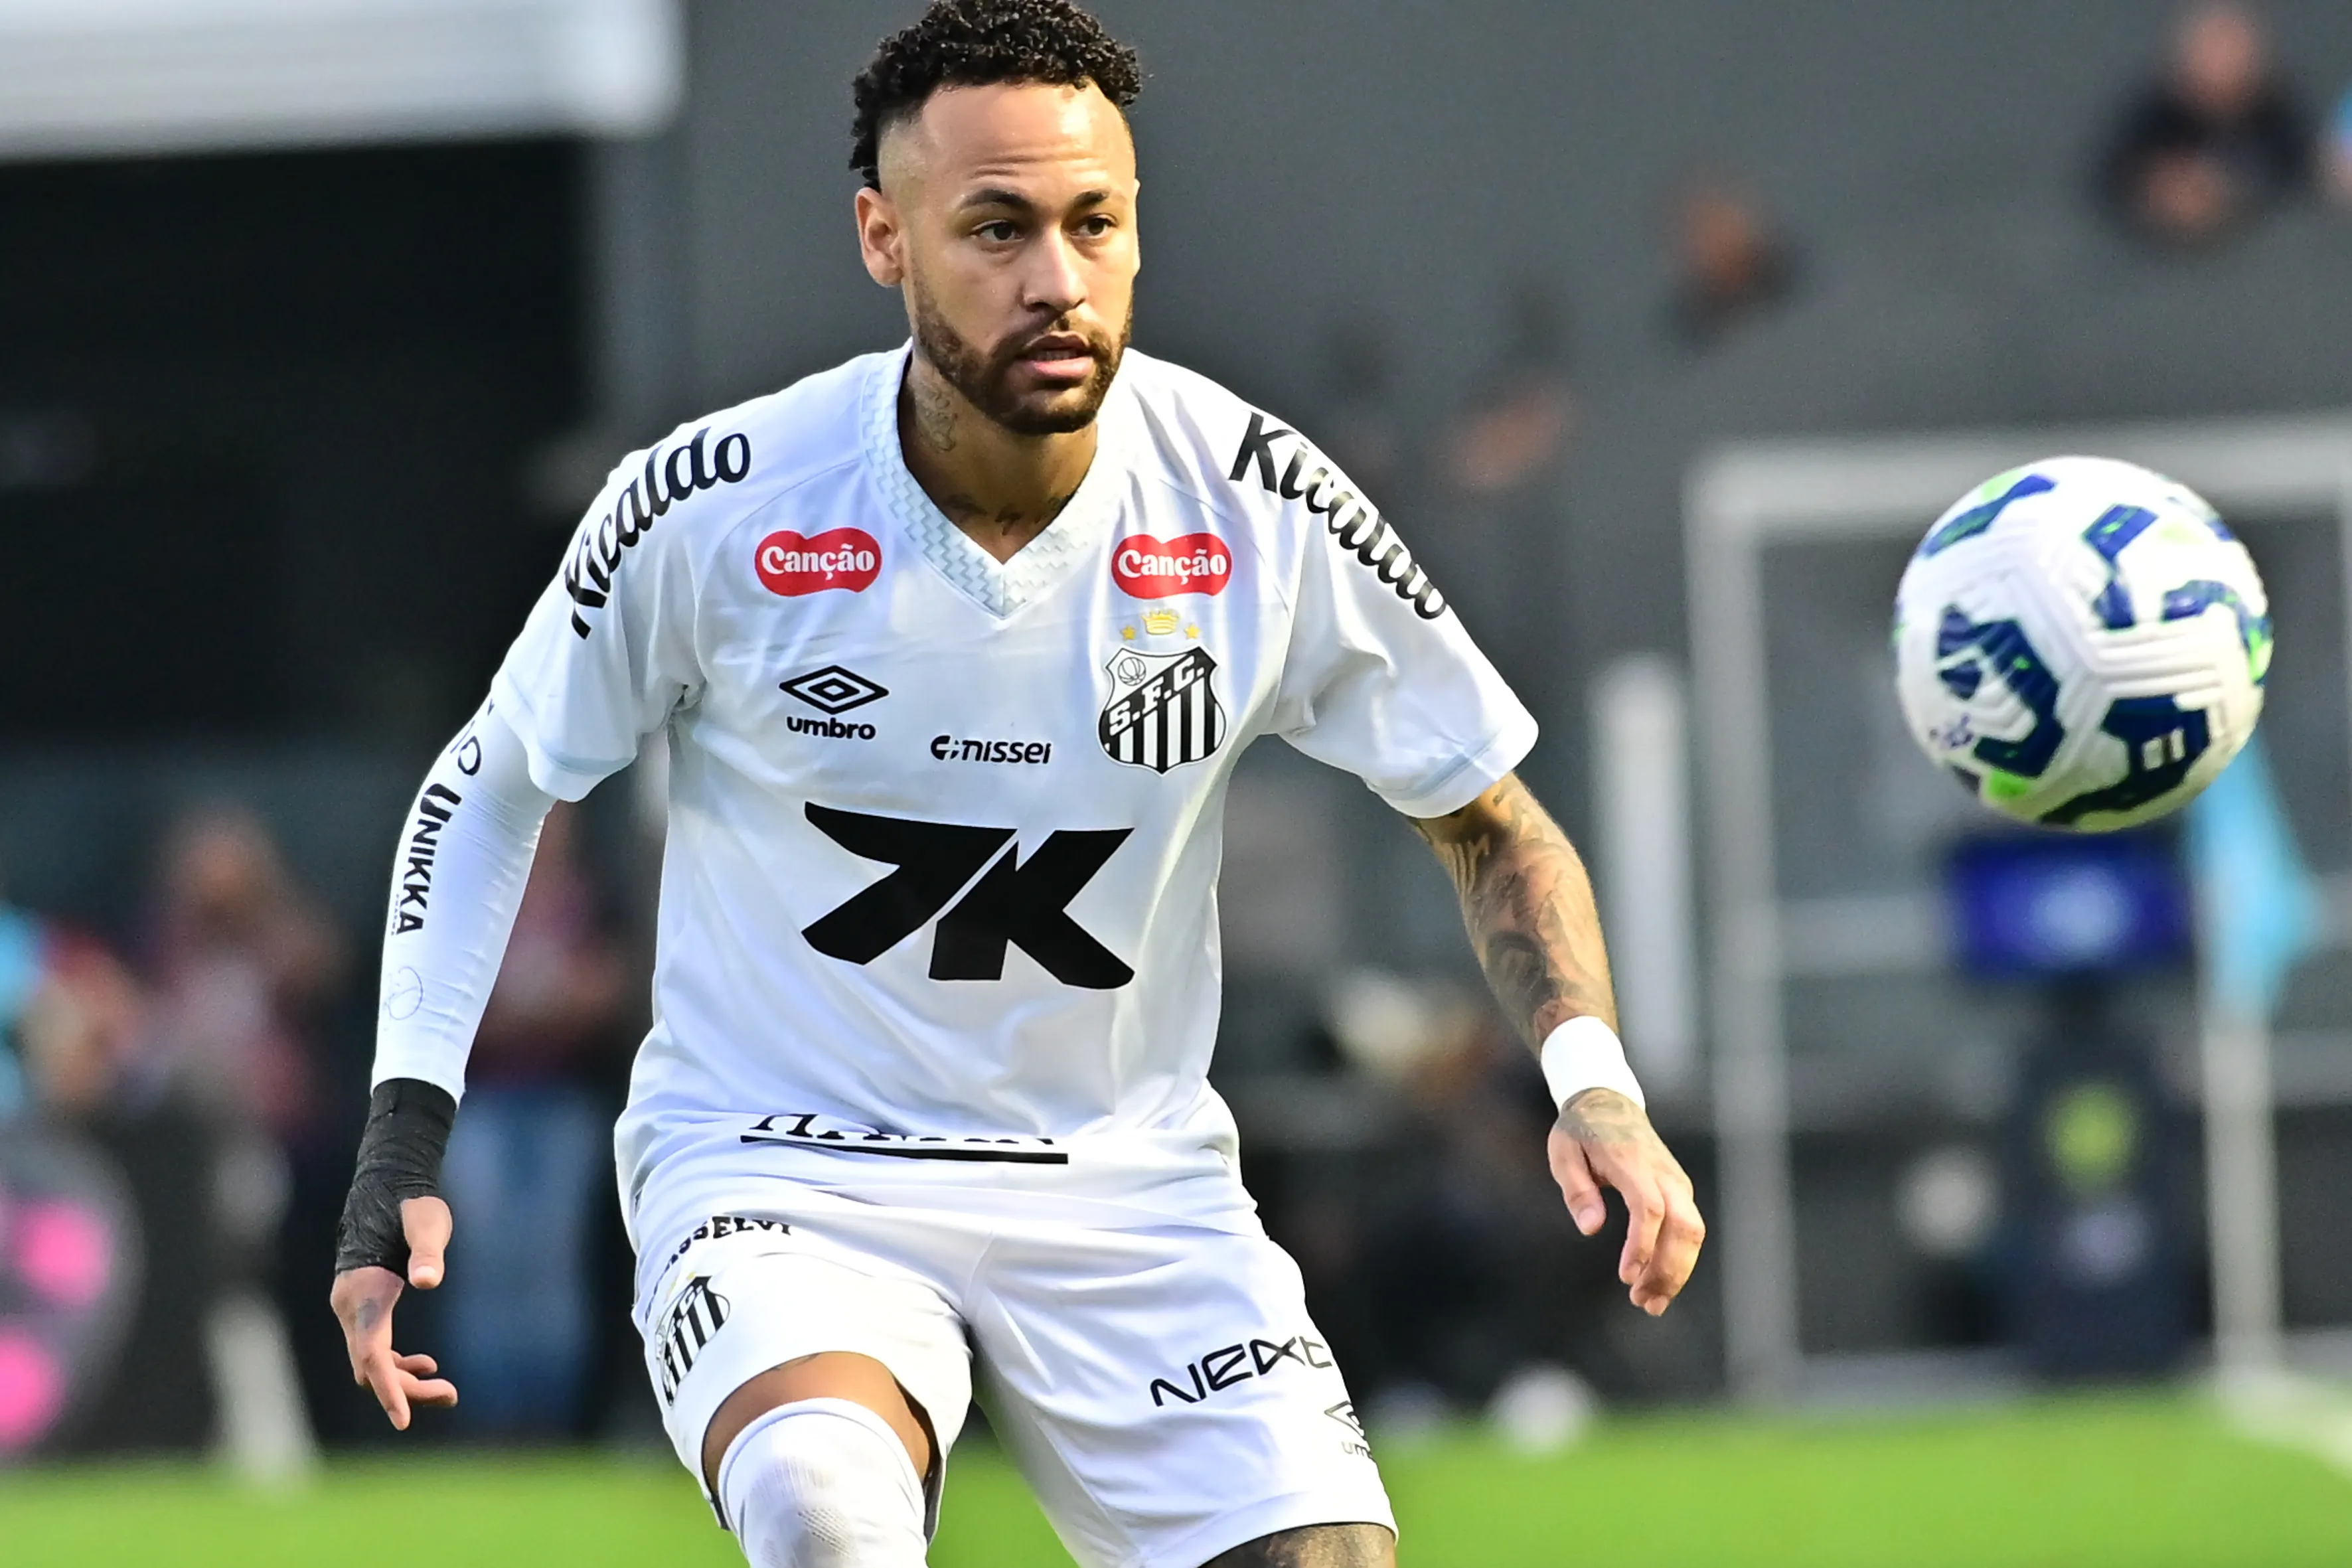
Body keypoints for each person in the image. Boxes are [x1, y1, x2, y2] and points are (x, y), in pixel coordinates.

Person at [329, 6, 1703, 1567]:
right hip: (786, 1165)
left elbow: (1488, 815)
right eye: (995, 228)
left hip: (1126, 1186)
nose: (1055, 277)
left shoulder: (1256, 500)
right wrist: (400, 1143)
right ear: (883, 237)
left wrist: (1594, 1082)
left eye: (1093, 222)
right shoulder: (718, 505)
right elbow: (493, 782)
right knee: (823, 1513)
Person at [437, 801, 629, 1435]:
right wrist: (529, 1011)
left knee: (551, 1263)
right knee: (487, 1264)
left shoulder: (590, 898)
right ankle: (487, 1422)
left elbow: (612, 988)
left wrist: (549, 1006)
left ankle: (553, 1422)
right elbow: (445, 999)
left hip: (563, 1099)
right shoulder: (471, 894)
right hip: (484, 1101)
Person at [2100, 3, 2312, 246]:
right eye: (2212, 50)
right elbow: (2113, 181)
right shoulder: (2152, 119)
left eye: (2231, 49)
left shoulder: (2279, 121)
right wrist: (2163, 194)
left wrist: (2225, 194)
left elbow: (2297, 182)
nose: (2221, 64)